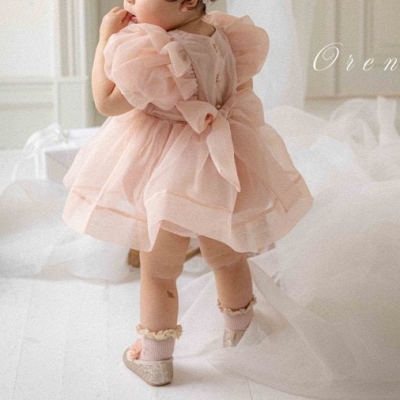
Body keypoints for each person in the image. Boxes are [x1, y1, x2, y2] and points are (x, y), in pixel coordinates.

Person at [62, 0, 313, 386]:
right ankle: (242, 333)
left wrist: (103, 40)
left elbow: (106, 102)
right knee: (228, 258)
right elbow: (239, 91)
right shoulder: (224, 35)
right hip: (219, 163)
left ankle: (155, 356)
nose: (129, 2)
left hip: (170, 173)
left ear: (186, 3)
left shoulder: (154, 52)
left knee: (159, 270)